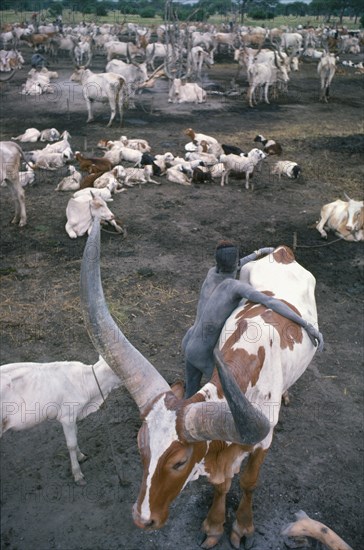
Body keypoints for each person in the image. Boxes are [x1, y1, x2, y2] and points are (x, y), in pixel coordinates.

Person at [182, 240, 324, 397]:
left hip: (190, 340)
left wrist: (260, 251)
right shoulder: (234, 287)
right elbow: (270, 302)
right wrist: (306, 324)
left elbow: (239, 263)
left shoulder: (212, 273)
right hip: (202, 354)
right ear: (236, 263)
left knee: (190, 392)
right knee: (230, 392)